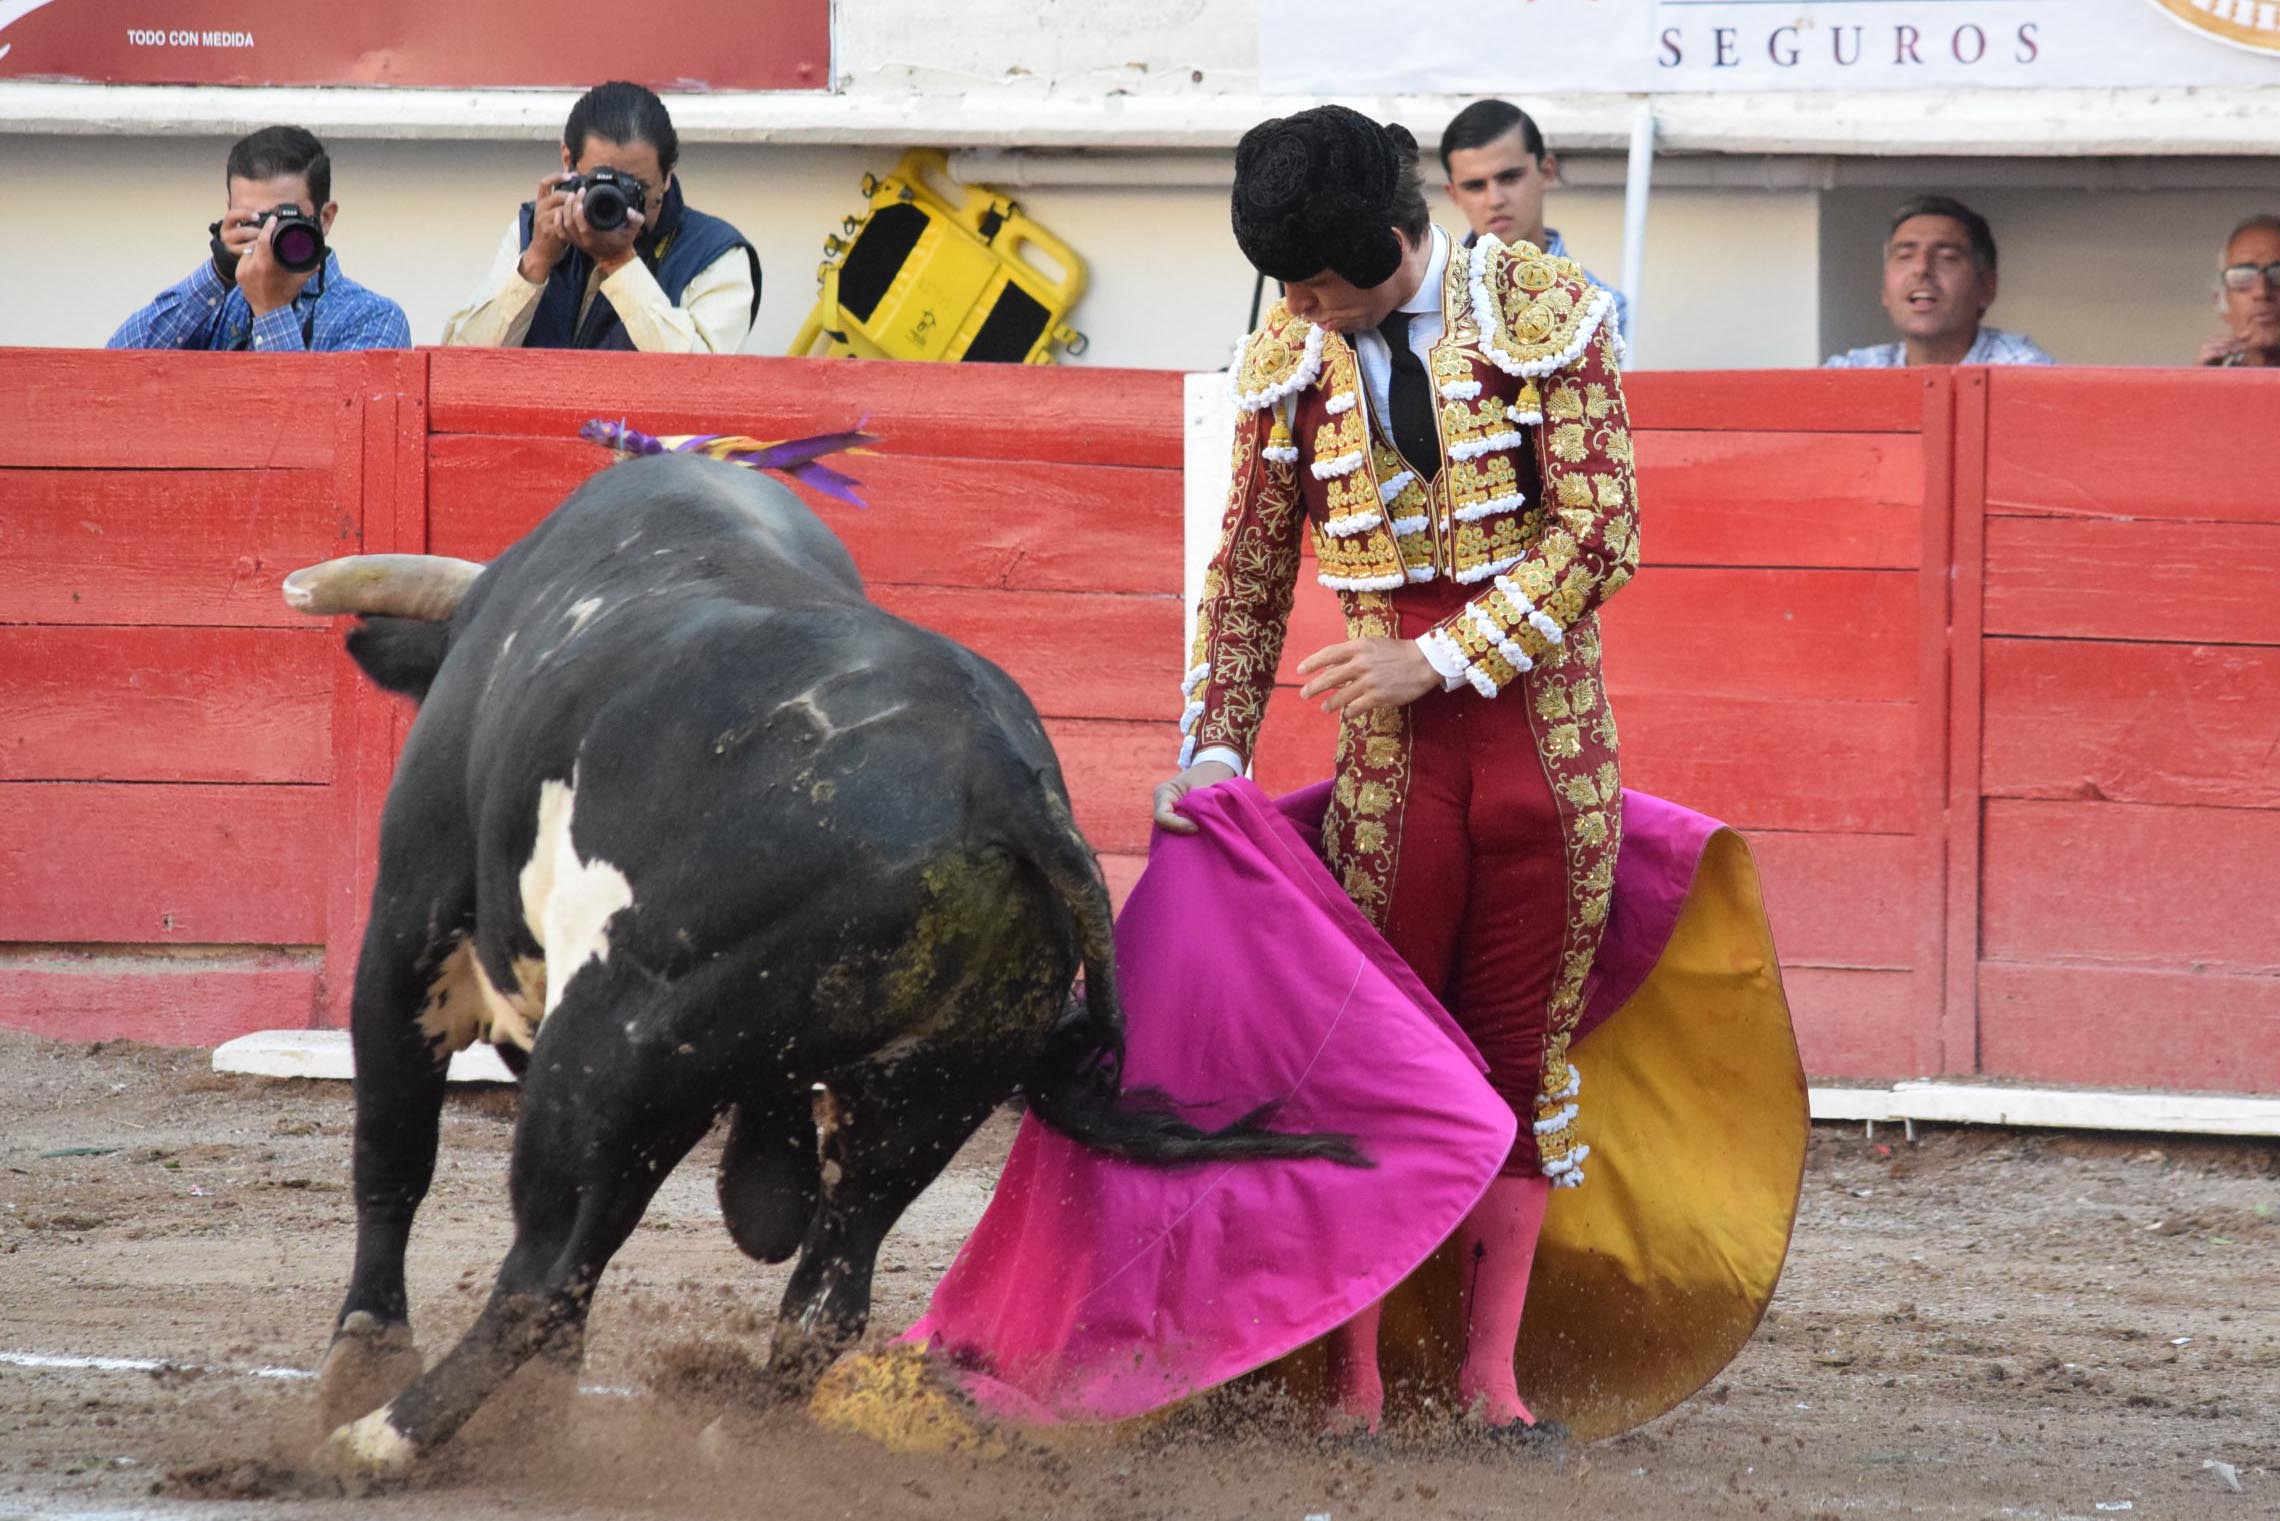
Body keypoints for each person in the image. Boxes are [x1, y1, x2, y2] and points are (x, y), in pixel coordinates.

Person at [1151, 104, 1640, 1442]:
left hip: (1548, 759)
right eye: (1286, 283)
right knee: (1367, 1065)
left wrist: (1440, 660)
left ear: (1386, 236)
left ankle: (1490, 1384)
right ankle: (1352, 1381)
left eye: (1315, 277)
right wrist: (1211, 754)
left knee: (1520, 1063)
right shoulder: (1285, 358)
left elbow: (1605, 530)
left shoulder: (1547, 306)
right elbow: (1246, 580)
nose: (1300, 304)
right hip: (1390, 778)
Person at [441, 81, 759, 353]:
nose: (617, 203)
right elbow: (458, 364)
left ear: (667, 176)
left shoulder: (715, 254)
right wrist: (535, 262)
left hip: (647, 427)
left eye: (638, 189)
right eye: (600, 184)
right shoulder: (533, 230)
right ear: (568, 161)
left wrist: (621, 264)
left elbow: (705, 383)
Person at [107, 126, 409, 353]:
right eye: (252, 221)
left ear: (325, 218)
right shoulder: (215, 306)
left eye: (283, 219)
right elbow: (115, 366)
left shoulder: (371, 318)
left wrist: (271, 311)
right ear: (229, 214)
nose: (267, 236)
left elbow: (317, 430)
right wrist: (217, 273)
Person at [1439, 98, 1628, 345]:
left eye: (1509, 177)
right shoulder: (1430, 299)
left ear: (1547, 170)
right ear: (1454, 194)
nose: (1495, 200)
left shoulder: (1599, 306)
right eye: (1475, 186)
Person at [1825, 195, 2052, 368]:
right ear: (1885, 289)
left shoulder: (2023, 371)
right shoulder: (1855, 371)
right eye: (1905, 256)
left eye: (1947, 258)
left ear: (1987, 286)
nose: (1922, 269)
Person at [2198, 214, 2280, 368]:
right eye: (2242, 278)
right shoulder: (2211, 373)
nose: (2262, 292)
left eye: (2278, 275)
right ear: (2221, 303)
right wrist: (2200, 387)